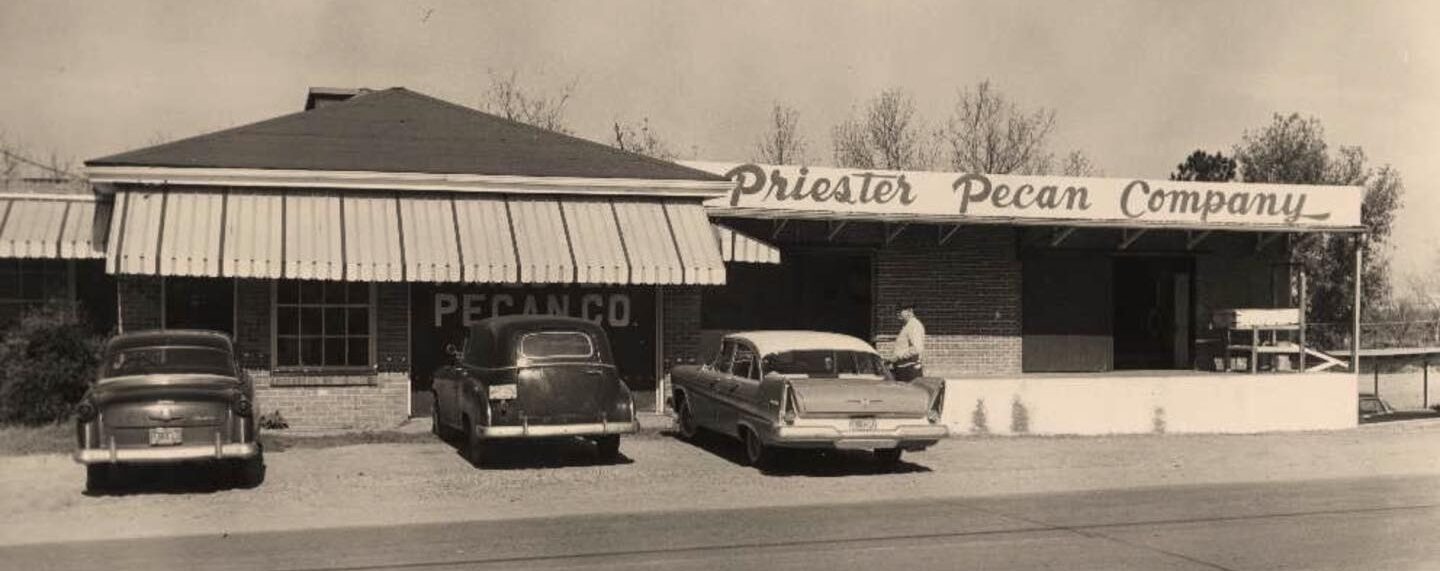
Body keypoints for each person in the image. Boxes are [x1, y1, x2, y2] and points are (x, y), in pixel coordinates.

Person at [889, 304, 925, 382]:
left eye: (900, 310)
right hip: (903, 369)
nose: (897, 313)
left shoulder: (914, 325)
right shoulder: (907, 326)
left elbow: (917, 348)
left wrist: (898, 357)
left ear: (910, 311)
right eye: (896, 311)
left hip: (909, 371)